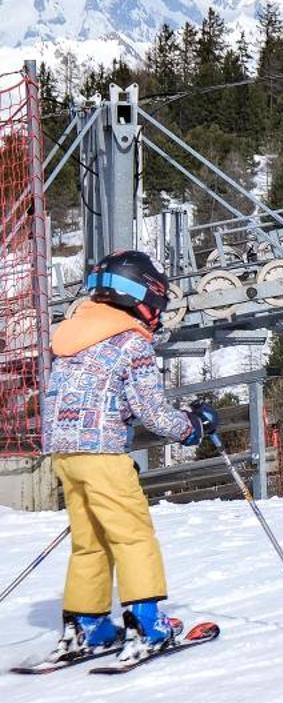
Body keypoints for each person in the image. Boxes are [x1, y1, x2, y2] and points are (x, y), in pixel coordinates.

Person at [39, 250, 217, 661]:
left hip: (65, 453)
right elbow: (151, 411)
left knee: (90, 542)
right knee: (132, 535)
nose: (157, 314)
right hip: (103, 453)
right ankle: (148, 625)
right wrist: (191, 426)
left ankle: (88, 626)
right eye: (157, 302)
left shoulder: (70, 335)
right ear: (141, 295)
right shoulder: (130, 342)